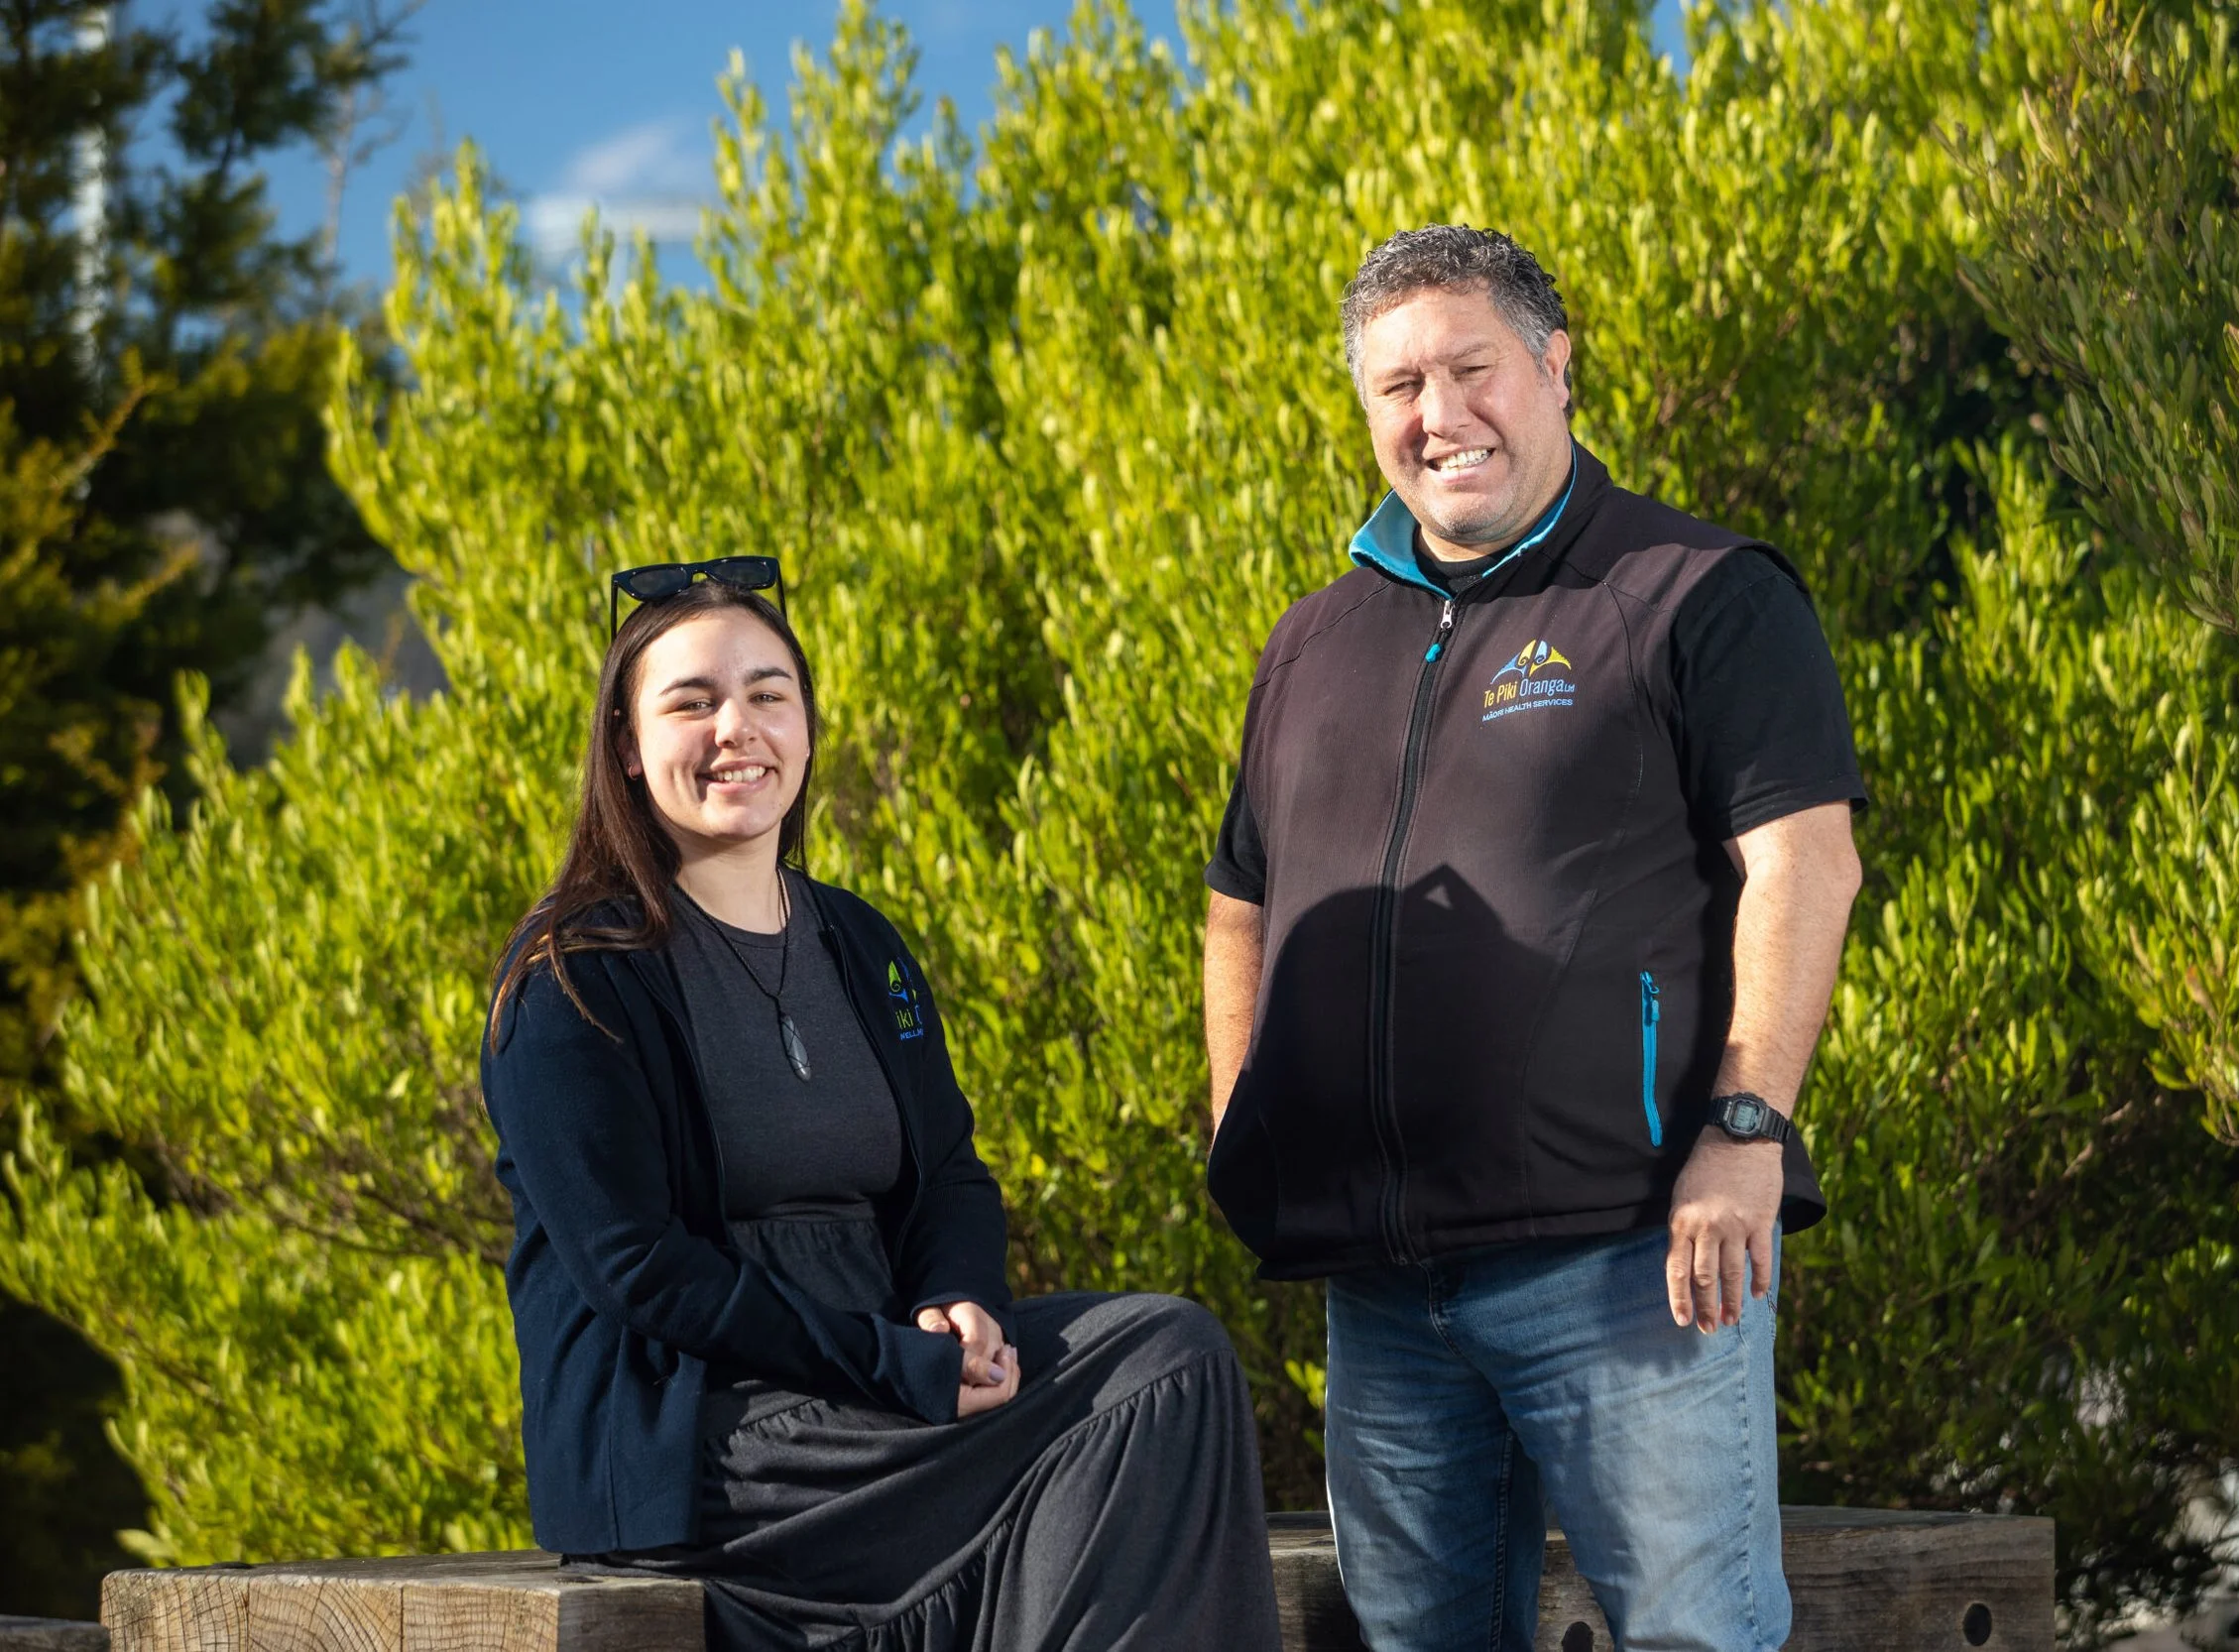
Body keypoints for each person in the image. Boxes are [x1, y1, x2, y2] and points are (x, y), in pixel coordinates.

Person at [1201, 226, 1868, 1652]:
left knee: (1698, 1636)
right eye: (1397, 386)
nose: (1437, 416)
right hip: (1384, 1292)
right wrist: (1239, 1120)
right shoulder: (1313, 641)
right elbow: (1239, 900)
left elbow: (1807, 863)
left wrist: (1748, 1122)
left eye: (1469, 368)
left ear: (1555, 367)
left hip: (1631, 1264)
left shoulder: (1698, 590)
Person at [482, 561, 1281, 1652]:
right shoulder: (574, 977)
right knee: (1144, 1382)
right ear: (626, 745)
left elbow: (947, 1171)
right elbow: (637, 1268)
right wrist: (892, 1362)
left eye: (769, 694)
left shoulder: (859, 945)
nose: (738, 728)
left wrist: (957, 1305)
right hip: (713, 1446)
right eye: (691, 701)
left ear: (807, 726)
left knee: (1169, 1355)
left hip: (885, 1396)